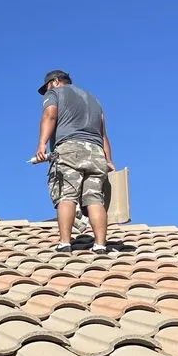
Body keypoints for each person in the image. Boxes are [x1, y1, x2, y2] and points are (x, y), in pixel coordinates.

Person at [34, 70, 115, 253]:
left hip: (70, 149)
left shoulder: (54, 93)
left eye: (47, 86)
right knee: (94, 198)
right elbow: (103, 135)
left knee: (66, 194)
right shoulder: (94, 100)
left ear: (54, 82)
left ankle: (64, 242)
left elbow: (50, 115)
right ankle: (101, 245)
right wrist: (108, 159)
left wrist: (41, 144)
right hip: (96, 153)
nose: (46, 89)